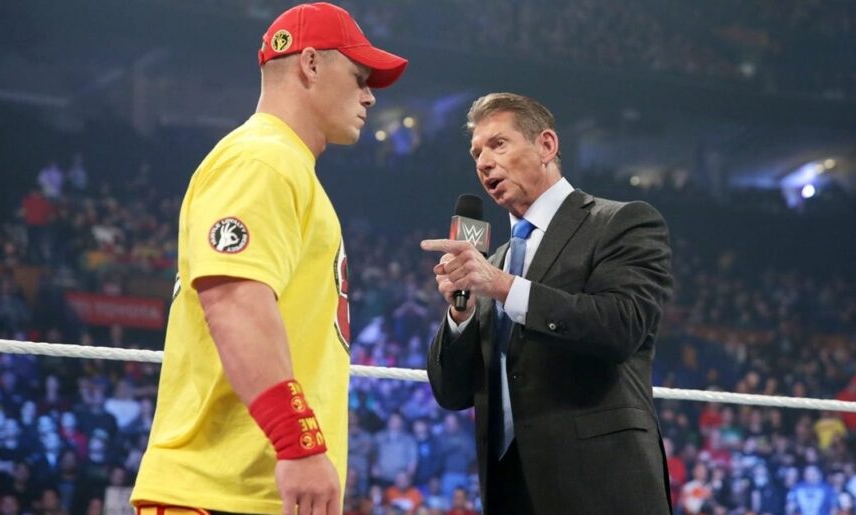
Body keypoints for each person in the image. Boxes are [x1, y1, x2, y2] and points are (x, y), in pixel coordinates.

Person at [130, 3, 407, 514]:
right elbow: (235, 302)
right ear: (311, 64)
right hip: (218, 492)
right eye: (359, 77)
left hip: (246, 491)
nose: (370, 95)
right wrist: (297, 443)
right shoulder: (263, 159)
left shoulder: (284, 165)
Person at [422, 92, 673, 514]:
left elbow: (621, 326)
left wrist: (505, 287)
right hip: (509, 490)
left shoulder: (621, 222)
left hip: (600, 486)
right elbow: (451, 392)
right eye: (476, 153)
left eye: (498, 144)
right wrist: (460, 314)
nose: (484, 162)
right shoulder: (493, 263)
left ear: (546, 145)